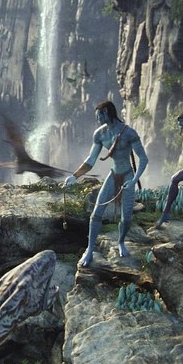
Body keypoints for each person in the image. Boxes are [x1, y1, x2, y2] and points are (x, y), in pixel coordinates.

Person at [64, 100, 147, 267]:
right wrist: (75, 176)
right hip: (113, 175)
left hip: (127, 176)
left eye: (98, 116)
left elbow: (144, 159)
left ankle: (121, 242)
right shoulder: (100, 134)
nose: (97, 119)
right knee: (96, 213)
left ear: (107, 113)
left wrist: (133, 180)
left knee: (126, 218)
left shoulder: (129, 133)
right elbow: (91, 160)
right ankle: (89, 250)